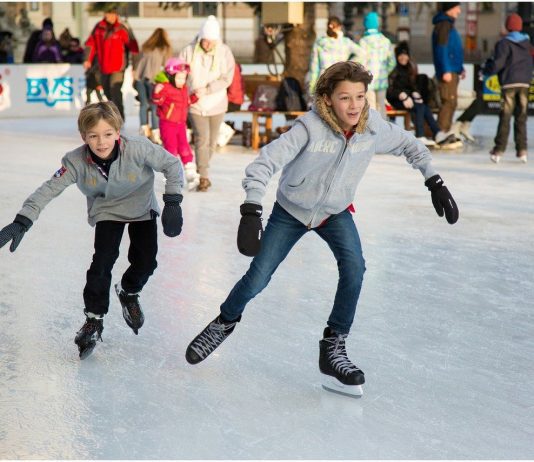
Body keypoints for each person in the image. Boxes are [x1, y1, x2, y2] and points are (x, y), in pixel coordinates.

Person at [184, 61, 459, 397]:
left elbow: (410, 145)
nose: (355, 105)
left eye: (360, 96)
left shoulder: (372, 128)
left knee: (355, 269)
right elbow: (264, 163)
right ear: (328, 99)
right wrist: (252, 209)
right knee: (258, 277)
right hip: (291, 211)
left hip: (335, 212)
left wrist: (434, 180)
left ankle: (334, 346)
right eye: (345, 98)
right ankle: (224, 321)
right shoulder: (309, 127)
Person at [0, 101, 184, 360]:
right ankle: (94, 319)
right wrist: (23, 219)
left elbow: (172, 165)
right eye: (94, 136)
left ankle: (129, 291)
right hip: (106, 209)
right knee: (102, 262)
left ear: (118, 132)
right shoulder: (75, 161)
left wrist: (173, 200)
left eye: (108, 134)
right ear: (83, 136)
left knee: (146, 261)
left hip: (141, 206)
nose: (102, 142)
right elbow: (49, 188)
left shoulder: (139, 149)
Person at [179, 15, 235, 192]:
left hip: (217, 103)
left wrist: (209, 89)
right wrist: (185, 88)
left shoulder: (224, 51)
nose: (208, 44)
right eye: (205, 40)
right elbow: (178, 72)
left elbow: (227, 77)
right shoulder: (188, 51)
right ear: (200, 37)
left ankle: (200, 166)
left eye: (212, 41)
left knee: (211, 143)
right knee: (201, 139)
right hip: (195, 104)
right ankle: (203, 176)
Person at [483, 13, 533, 164]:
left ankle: (498, 150)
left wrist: (486, 70)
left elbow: (498, 63)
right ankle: (522, 150)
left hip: (509, 83)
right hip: (524, 83)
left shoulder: (504, 43)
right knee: (521, 117)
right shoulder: (528, 44)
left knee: (505, 117)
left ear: (508, 26)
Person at [153, 57, 201, 190]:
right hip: (168, 124)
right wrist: (157, 92)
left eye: (184, 78)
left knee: (185, 148)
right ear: (171, 76)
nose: (182, 81)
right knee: (171, 149)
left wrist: (194, 97)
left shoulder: (184, 89)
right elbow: (158, 101)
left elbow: (186, 103)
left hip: (181, 124)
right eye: (179, 78)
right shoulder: (166, 88)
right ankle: (171, 176)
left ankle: (190, 173)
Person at [84, 6, 139, 119]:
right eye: (106, 13)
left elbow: (133, 47)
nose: (108, 15)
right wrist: (87, 59)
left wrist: (135, 66)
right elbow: (90, 44)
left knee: (115, 90)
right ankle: (112, 115)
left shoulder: (122, 28)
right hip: (103, 66)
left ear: (115, 14)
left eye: (110, 13)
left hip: (118, 67)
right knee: (107, 91)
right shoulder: (99, 27)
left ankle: (119, 117)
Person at [387, 41, 440, 147]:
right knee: (419, 107)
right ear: (397, 56)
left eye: (405, 55)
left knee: (424, 106)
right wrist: (402, 96)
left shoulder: (408, 69)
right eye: (400, 55)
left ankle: (437, 133)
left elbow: (410, 86)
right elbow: (390, 90)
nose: (403, 57)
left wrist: (415, 93)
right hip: (395, 100)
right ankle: (420, 135)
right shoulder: (394, 70)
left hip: (407, 99)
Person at [432, 2, 465, 147]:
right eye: (457, 7)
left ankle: (444, 132)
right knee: (448, 101)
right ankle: (441, 134)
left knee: (452, 102)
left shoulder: (448, 24)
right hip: (448, 71)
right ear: (450, 9)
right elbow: (442, 49)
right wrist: (445, 69)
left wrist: (460, 68)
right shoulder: (444, 25)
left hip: (453, 69)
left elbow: (453, 50)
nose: (459, 10)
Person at [132, 27, 172, 145]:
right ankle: (155, 132)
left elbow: (137, 64)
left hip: (140, 79)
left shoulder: (146, 47)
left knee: (143, 105)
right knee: (155, 107)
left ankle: (144, 130)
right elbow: (166, 67)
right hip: (154, 81)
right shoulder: (164, 49)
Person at [306, 16, 364, 97]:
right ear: (339, 27)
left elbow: (314, 67)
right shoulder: (346, 42)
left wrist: (312, 87)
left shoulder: (319, 43)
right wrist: (348, 64)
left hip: (324, 78)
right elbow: (362, 53)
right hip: (341, 77)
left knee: (324, 107)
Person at [358, 11, 395, 118]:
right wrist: (385, 71)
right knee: (381, 106)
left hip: (368, 79)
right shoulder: (385, 41)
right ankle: (384, 132)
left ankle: (372, 132)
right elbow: (392, 61)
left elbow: (361, 63)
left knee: (371, 106)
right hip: (382, 78)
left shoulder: (363, 41)